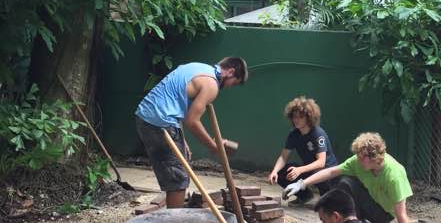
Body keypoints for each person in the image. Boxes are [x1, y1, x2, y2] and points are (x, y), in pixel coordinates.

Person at [283, 132, 415, 223]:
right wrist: (301, 184)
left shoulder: (394, 175)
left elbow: (401, 214)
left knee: (349, 183)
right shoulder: (358, 162)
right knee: (346, 183)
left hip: (383, 215)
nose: (357, 159)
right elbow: (331, 171)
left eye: (360, 157)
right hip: (369, 202)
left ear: (371, 158)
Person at [135, 57, 248, 208]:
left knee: (176, 170)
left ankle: (172, 215)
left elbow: (177, 103)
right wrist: (213, 146)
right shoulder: (211, 84)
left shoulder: (196, 67)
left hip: (145, 117)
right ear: (230, 72)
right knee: (178, 178)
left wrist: (183, 141)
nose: (229, 87)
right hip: (161, 122)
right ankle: (175, 221)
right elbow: (192, 121)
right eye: (233, 83)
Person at [268, 97, 337, 200]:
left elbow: (321, 163)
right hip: (309, 169)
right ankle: (305, 196)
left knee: (328, 203)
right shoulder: (294, 134)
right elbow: (283, 157)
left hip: (327, 173)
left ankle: (327, 197)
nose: (296, 120)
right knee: (281, 173)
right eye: (294, 116)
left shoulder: (318, 134)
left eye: (300, 117)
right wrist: (274, 171)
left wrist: (300, 170)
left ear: (309, 118)